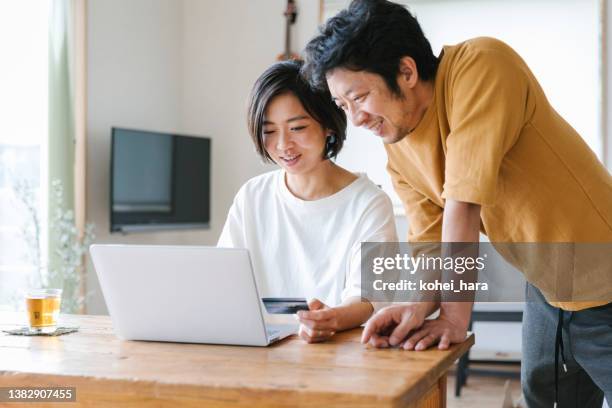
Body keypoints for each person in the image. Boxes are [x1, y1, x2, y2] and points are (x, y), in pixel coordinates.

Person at [301, 0, 612, 406]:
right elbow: (431, 245)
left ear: (406, 71)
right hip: (547, 285)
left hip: (603, 277)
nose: (355, 119)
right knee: (547, 401)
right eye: (343, 107)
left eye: (359, 97)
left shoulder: (481, 65)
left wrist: (452, 316)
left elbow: (464, 202)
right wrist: (417, 304)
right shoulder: (399, 149)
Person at [218, 60, 398, 344]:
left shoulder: (369, 203)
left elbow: (370, 296)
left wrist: (334, 318)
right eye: (269, 131)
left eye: (298, 128)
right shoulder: (252, 196)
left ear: (328, 124)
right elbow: (222, 278)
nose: (283, 145)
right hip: (257, 352)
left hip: (336, 354)